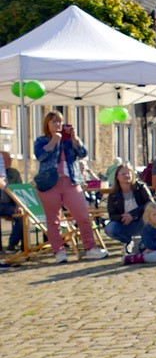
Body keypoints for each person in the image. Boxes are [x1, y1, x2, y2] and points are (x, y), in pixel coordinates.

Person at [34, 112, 108, 263]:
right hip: (50, 184)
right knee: (53, 220)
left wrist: (75, 139)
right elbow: (40, 156)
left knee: (83, 216)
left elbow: (83, 153)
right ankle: (58, 251)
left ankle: (90, 248)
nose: (57, 125)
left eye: (60, 122)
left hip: (71, 182)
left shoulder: (69, 141)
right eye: (54, 122)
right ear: (47, 124)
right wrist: (53, 142)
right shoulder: (41, 140)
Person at [105, 164, 153, 251]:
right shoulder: (113, 194)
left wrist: (132, 215)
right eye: (123, 174)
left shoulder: (141, 187)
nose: (126, 176)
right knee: (110, 229)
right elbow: (112, 214)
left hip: (141, 220)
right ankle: (128, 241)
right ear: (117, 177)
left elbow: (150, 204)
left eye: (129, 173)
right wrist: (123, 217)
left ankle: (145, 243)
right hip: (124, 222)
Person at [1, 151, 24, 251]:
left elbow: (20, 190)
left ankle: (13, 244)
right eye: (5, 159)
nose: (8, 161)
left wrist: (19, 205)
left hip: (10, 205)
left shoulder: (14, 173)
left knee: (22, 215)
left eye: (9, 159)